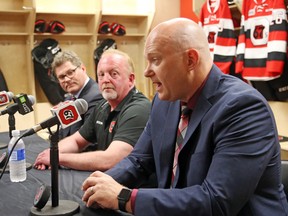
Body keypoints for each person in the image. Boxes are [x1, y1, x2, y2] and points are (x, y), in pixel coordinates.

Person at [81, 18, 288, 215]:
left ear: (190, 60)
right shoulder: (163, 102)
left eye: (155, 60)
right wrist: (101, 184)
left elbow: (216, 202)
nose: (146, 72)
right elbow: (139, 161)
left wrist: (125, 197)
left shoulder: (243, 108)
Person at [34, 49, 151, 171]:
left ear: (131, 79)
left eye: (114, 74)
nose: (105, 80)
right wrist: (50, 153)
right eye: (101, 74)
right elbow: (77, 141)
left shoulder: (138, 109)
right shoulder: (103, 106)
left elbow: (111, 160)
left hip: (134, 187)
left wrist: (57, 158)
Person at [52, 50, 103, 139]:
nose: (67, 79)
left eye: (70, 72)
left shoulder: (96, 97)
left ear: (83, 69)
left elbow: (87, 140)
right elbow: (63, 133)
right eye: (61, 77)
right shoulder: (68, 98)